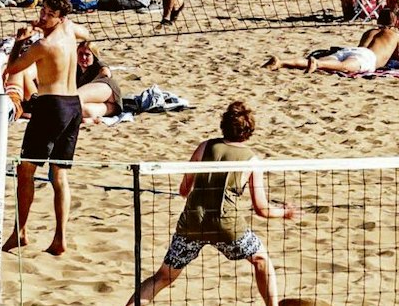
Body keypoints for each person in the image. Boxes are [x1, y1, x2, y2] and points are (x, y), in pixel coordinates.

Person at [125, 101, 299, 306]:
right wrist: (284, 212)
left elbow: (183, 190)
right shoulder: (252, 161)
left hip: (192, 224)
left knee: (163, 277)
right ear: (249, 131)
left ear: (223, 125)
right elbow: (262, 209)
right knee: (261, 260)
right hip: (227, 227)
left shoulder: (205, 146)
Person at [2, 0, 90, 255]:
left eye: (49, 14)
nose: (42, 16)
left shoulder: (43, 46)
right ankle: (59, 239)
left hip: (52, 106)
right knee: (59, 174)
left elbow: (12, 69)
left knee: (25, 170)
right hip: (73, 106)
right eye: (42, 11)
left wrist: (20, 41)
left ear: (60, 16)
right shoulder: (70, 29)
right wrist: (54, 24)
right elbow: (86, 32)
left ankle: (20, 232)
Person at [267, 8, 399, 74]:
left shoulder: (369, 31)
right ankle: (318, 63)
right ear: (395, 21)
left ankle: (282, 62)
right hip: (367, 57)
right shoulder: (395, 34)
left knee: (326, 60)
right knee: (343, 66)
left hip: (352, 50)